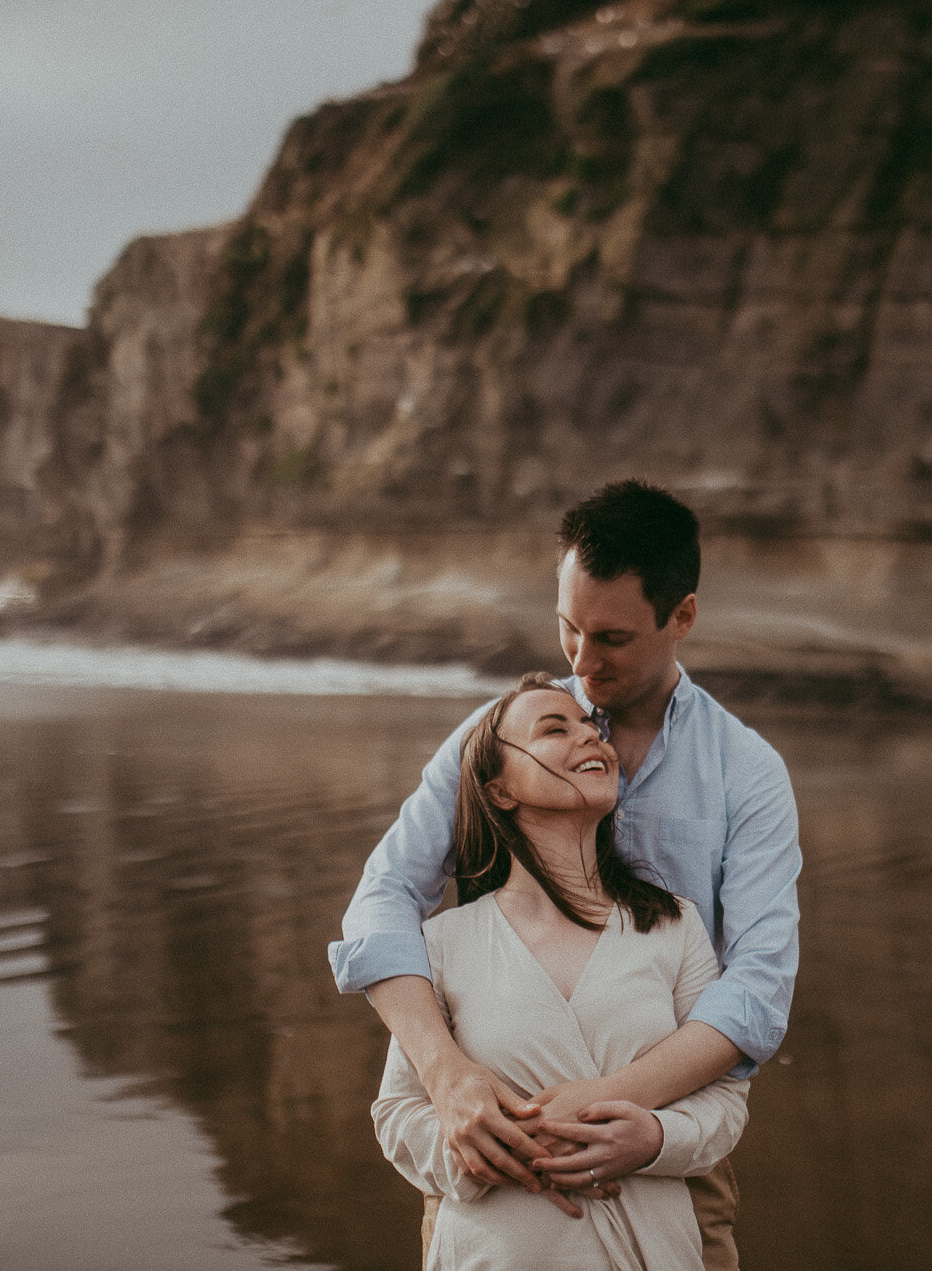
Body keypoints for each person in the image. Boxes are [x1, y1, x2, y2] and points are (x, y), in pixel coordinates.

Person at [330, 481, 801, 1270]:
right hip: (485, 1164)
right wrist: (448, 1076)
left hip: (667, 1164)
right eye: (566, 628)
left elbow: (755, 991)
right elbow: (381, 902)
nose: (580, 663)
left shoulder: (746, 774)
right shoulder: (502, 737)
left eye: (611, 637)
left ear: (682, 616)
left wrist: (625, 1110)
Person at [373, 674, 749, 1269]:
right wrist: (492, 1154)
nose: (592, 740)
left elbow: (723, 1102)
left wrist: (653, 1140)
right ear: (498, 791)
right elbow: (397, 1114)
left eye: (591, 728)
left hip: (653, 1249)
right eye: (555, 728)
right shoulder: (443, 943)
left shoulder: (675, 926)